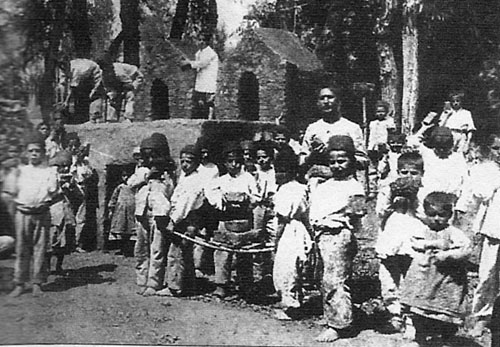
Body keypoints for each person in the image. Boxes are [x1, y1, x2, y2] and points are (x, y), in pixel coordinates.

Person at [308, 135, 366, 342]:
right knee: (323, 278)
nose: (337, 166)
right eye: (332, 162)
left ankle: (340, 324)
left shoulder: (354, 187)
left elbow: (357, 218)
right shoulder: (325, 185)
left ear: (351, 161)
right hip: (321, 235)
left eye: (342, 161)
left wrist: (347, 231)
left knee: (336, 280)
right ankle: (331, 314)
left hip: (339, 235)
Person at [401, 192, 470, 346]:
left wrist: (448, 255)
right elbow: (413, 244)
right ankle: (420, 337)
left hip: (447, 280)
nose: (437, 219)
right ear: (425, 213)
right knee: (420, 310)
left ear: (450, 215)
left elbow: (465, 250)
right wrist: (432, 244)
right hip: (424, 277)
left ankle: (445, 338)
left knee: (445, 312)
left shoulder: (454, 233)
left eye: (441, 215)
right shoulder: (421, 230)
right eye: (432, 215)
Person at [455, 132, 500, 337]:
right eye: (496, 149)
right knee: (487, 276)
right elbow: (482, 193)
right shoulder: (486, 170)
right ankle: (482, 316)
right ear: (488, 149)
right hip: (494, 228)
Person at [4, 133, 58, 297]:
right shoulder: (20, 171)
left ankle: (37, 283)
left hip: (41, 213)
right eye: (31, 151)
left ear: (43, 153)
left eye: (37, 151)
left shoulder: (49, 171)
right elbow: (10, 193)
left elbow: (53, 191)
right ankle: (20, 283)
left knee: (40, 249)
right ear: (26, 154)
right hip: (23, 214)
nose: (34, 154)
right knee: (21, 249)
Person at [205, 142, 260, 299]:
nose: (234, 165)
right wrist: (222, 201)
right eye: (230, 162)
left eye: (237, 161)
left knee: (244, 253)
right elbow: (210, 194)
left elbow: (256, 196)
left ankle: (245, 284)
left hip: (243, 221)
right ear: (225, 163)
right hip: (225, 220)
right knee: (222, 252)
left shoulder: (248, 178)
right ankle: (221, 284)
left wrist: (246, 199)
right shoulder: (221, 180)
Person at [375, 177, 425, 332]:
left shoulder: (423, 192)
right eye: (404, 172)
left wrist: (414, 198)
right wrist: (391, 195)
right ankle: (395, 313)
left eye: (414, 172)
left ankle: (411, 318)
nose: (409, 176)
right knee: (390, 277)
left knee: (413, 277)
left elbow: (426, 215)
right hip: (392, 237)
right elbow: (380, 212)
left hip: (412, 238)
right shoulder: (388, 191)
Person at [128, 135, 174, 296]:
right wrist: (147, 175)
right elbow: (131, 184)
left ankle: (154, 283)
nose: (151, 159)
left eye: (154, 155)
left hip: (158, 215)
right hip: (142, 212)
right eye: (148, 156)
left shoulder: (168, 172)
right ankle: (142, 280)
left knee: (157, 249)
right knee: (141, 248)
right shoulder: (142, 171)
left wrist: (162, 177)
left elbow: (170, 192)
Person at [157, 145, 206, 296]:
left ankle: (174, 287)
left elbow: (185, 205)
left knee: (176, 253)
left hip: (185, 220)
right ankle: (188, 284)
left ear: (197, 162)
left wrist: (172, 221)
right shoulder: (186, 177)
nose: (185, 164)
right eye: (182, 161)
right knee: (185, 254)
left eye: (189, 161)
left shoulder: (195, 181)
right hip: (182, 218)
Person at [272, 149, 312, 320]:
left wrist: (275, 240)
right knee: (297, 266)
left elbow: (281, 220)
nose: (278, 174)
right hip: (300, 229)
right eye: (277, 170)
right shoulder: (303, 188)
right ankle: (297, 299)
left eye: (282, 171)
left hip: (289, 231)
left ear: (292, 172)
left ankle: (290, 307)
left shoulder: (285, 190)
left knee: (286, 268)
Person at [301, 86, 368, 168]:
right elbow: (301, 160)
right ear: (317, 103)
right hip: (318, 175)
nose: (326, 101)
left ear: (339, 101)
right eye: (322, 98)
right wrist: (312, 156)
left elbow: (363, 159)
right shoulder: (312, 128)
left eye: (330, 97)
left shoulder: (352, 128)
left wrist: (343, 157)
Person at [47, 150, 80, 274]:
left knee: (64, 239)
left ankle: (59, 266)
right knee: (52, 238)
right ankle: (47, 267)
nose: (65, 168)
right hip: (54, 209)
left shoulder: (68, 176)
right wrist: (60, 188)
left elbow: (78, 195)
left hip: (65, 209)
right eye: (63, 165)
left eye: (67, 165)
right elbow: (48, 193)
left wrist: (71, 187)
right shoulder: (51, 175)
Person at [181, 35, 219, 119]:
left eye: (203, 40)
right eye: (199, 40)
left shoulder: (210, 53)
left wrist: (189, 63)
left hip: (208, 85)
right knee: (198, 105)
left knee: (208, 106)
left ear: (207, 42)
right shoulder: (199, 53)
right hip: (200, 84)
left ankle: (210, 122)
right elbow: (196, 66)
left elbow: (202, 63)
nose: (201, 42)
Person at [98, 55, 144, 122]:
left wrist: (133, 86)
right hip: (116, 86)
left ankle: (128, 118)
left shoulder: (119, 70)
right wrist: (110, 92)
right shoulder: (103, 74)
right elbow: (106, 85)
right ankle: (111, 119)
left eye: (108, 67)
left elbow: (138, 77)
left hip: (130, 82)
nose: (107, 69)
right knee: (112, 100)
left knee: (129, 96)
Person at [67, 133, 93, 253]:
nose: (74, 148)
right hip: (71, 189)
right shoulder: (68, 158)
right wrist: (75, 163)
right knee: (69, 217)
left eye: (75, 146)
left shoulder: (85, 162)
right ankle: (67, 244)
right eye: (71, 145)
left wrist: (81, 161)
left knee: (81, 218)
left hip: (82, 189)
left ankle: (77, 243)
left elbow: (89, 174)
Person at [62, 58, 103, 124]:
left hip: (92, 73)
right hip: (85, 74)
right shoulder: (69, 66)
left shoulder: (75, 70)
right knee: (79, 95)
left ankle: (94, 118)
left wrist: (66, 101)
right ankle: (80, 117)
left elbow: (72, 88)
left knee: (94, 96)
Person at [108, 168, 135, 256]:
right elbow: (114, 198)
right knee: (121, 230)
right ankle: (122, 249)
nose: (126, 178)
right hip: (120, 212)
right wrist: (111, 209)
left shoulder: (134, 187)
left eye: (128, 176)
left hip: (131, 212)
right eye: (124, 176)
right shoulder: (120, 187)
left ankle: (129, 250)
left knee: (130, 231)